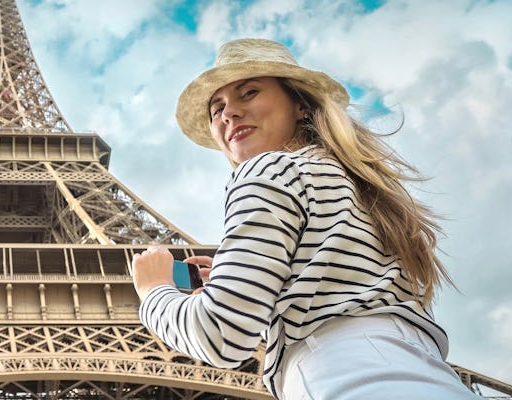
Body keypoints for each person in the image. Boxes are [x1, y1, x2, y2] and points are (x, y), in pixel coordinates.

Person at [131, 38, 479, 399]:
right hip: (426, 374)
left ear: (299, 103)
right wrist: (257, 272)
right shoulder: (359, 186)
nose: (229, 113)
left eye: (248, 92)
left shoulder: (268, 169)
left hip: (347, 377)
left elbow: (219, 336)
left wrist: (154, 289)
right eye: (216, 108)